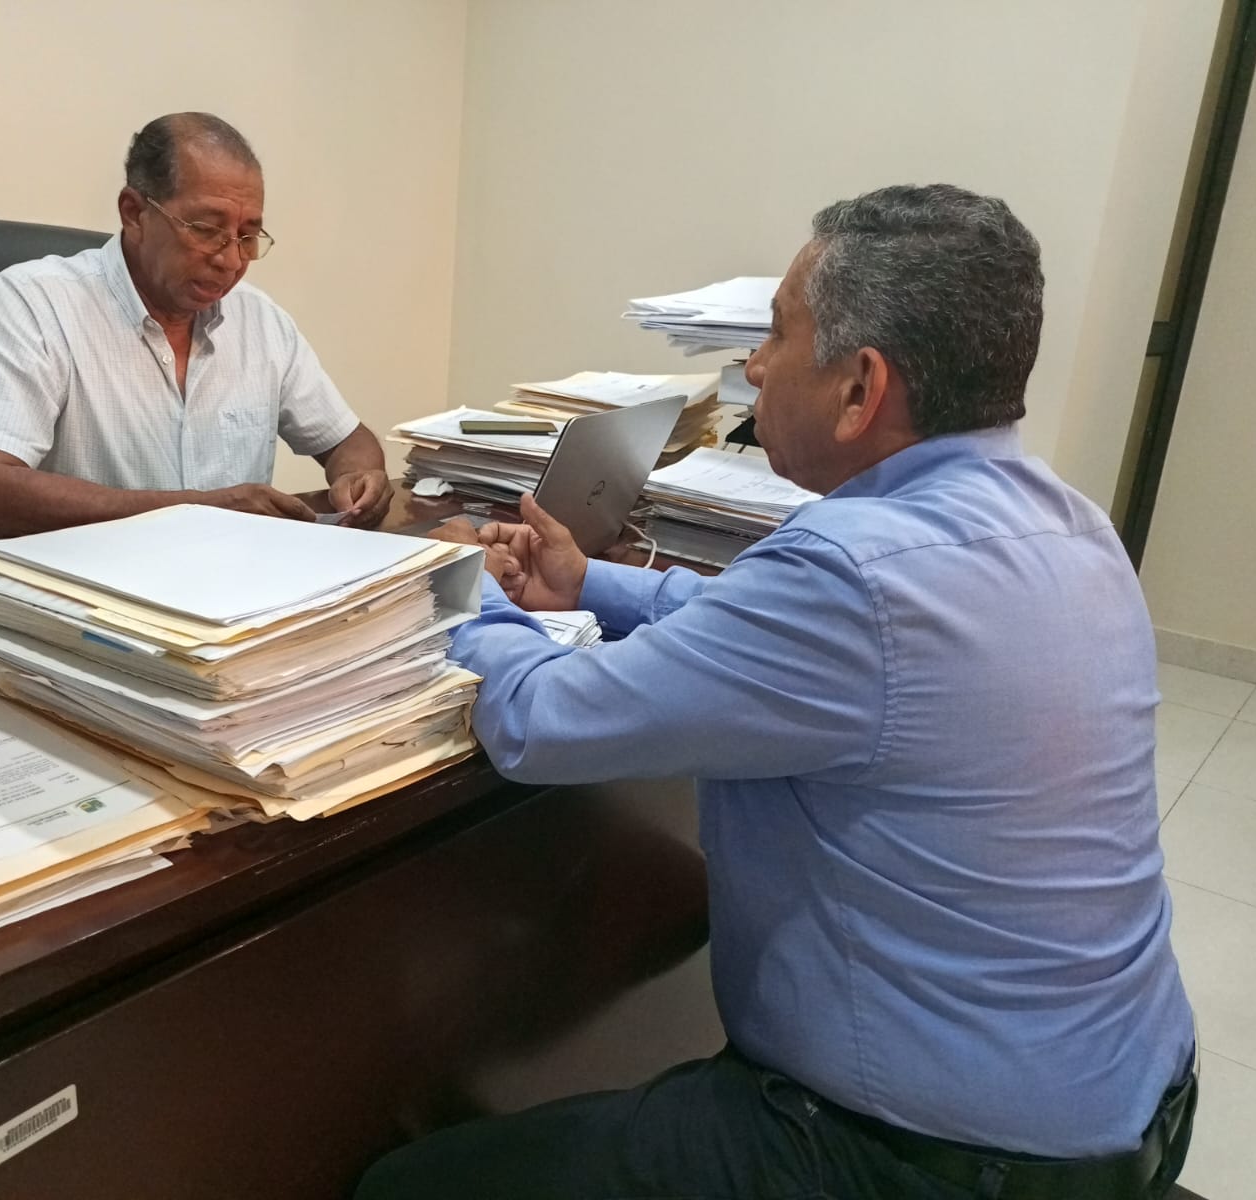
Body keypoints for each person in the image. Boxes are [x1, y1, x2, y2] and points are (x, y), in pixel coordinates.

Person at [358, 184, 1197, 1200]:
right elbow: (769, 634)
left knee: (409, 1188)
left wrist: (460, 584)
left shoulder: (853, 573)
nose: (753, 367)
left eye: (777, 334)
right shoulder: (1072, 524)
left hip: (914, 1163)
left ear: (860, 388)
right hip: (1129, 1118)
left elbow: (538, 720)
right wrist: (587, 585)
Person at [0, 112, 392, 538]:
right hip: (86, 585)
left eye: (248, 236)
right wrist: (195, 510)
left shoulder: (260, 321)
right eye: (207, 230)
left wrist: (358, 476)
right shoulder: (35, 303)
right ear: (134, 213)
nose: (231, 260)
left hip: (233, 585)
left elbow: (347, 440)